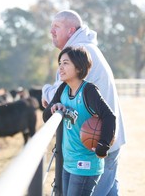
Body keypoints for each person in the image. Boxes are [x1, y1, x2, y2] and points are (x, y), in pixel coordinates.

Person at [42, 10, 126, 195]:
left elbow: (53, 94)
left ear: (71, 30)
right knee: (109, 190)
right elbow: (53, 104)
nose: (51, 31)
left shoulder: (76, 54)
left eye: (56, 26)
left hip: (95, 146)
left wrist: (45, 90)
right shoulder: (86, 49)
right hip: (101, 141)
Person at [43, 46, 116, 196]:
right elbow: (45, 117)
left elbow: (109, 117)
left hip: (86, 164)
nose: (60, 68)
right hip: (68, 162)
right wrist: (54, 108)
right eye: (59, 63)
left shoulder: (88, 91)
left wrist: (103, 145)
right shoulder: (63, 89)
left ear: (78, 67)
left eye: (65, 63)